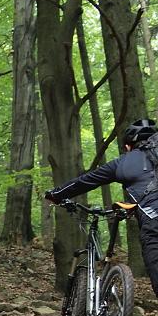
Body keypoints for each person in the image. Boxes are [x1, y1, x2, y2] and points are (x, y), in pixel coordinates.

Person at [45, 119, 158, 295]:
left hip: (154, 224)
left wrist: (55, 195)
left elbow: (85, 181)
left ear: (128, 146)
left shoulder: (123, 162)